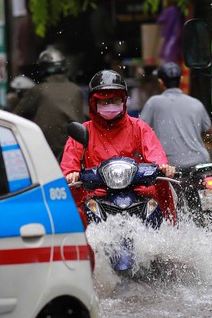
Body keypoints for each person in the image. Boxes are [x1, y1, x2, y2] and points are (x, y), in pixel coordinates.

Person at [61, 69, 177, 224]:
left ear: (124, 101)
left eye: (116, 100)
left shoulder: (139, 128)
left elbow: (155, 154)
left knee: (164, 184)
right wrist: (72, 174)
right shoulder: (84, 131)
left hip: (139, 194)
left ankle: (170, 227)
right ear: (93, 103)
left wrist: (163, 167)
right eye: (104, 101)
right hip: (96, 197)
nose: (110, 105)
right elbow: (69, 165)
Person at [139, 62, 212, 217]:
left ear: (160, 82)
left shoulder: (153, 103)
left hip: (170, 167)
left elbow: (140, 131)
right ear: (180, 79)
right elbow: (208, 130)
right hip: (200, 163)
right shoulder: (196, 103)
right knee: (206, 211)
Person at [13, 47, 88, 161]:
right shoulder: (75, 90)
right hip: (74, 150)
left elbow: (16, 116)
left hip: (45, 149)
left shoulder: (39, 90)